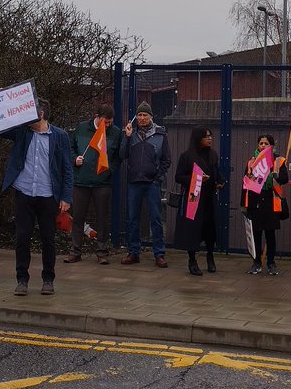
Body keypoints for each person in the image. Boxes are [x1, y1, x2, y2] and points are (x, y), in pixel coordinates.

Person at [0, 91, 74, 297]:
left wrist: (66, 197)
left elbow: (67, 168)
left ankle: (48, 279)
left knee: (48, 239)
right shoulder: (21, 132)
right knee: (22, 237)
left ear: (41, 113)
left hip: (47, 195)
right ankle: (22, 280)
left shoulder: (60, 136)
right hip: (24, 192)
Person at [65, 105, 122, 264]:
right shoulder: (81, 128)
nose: (108, 125)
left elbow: (118, 157)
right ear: (97, 116)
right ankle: (75, 251)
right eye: (106, 121)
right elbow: (70, 148)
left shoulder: (116, 133)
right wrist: (74, 159)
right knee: (77, 217)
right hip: (81, 182)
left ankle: (102, 252)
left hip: (102, 183)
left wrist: (110, 169)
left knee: (103, 218)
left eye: (111, 122)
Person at [120, 102, 172, 267]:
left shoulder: (160, 135)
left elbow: (166, 160)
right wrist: (127, 138)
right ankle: (133, 252)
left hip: (152, 183)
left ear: (151, 116)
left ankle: (159, 254)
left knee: (156, 219)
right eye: (140, 115)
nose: (142, 118)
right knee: (132, 219)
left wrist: (157, 178)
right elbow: (123, 154)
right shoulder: (132, 134)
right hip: (134, 182)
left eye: (145, 115)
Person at [173, 126, 226, 276]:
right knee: (193, 230)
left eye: (210, 136)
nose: (209, 139)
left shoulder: (213, 155)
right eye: (206, 136)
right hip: (194, 198)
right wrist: (196, 179)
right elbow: (178, 177)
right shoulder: (187, 156)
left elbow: (217, 173)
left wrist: (221, 181)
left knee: (210, 228)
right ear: (198, 139)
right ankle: (192, 260)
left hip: (209, 198)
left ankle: (210, 256)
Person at [242, 134, 288, 276]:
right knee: (256, 233)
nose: (263, 146)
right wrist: (244, 204)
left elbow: (285, 178)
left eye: (266, 143)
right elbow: (245, 184)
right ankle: (256, 262)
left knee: (270, 234)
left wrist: (276, 176)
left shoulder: (278, 160)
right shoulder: (252, 162)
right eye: (261, 143)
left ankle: (271, 263)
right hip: (255, 201)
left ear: (271, 146)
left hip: (271, 200)